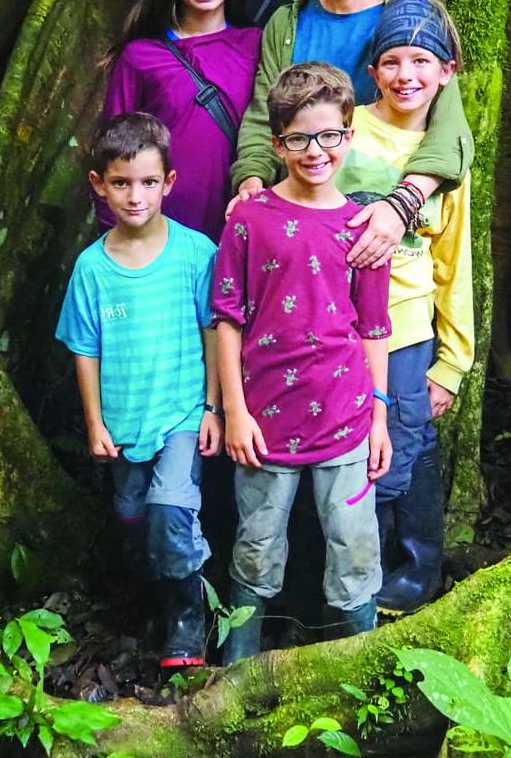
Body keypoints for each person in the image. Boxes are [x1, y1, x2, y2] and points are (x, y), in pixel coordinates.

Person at [212, 63, 393, 663]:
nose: (315, 151)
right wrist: (233, 411)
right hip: (264, 421)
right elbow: (227, 316)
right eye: (298, 139)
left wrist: (381, 416)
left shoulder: (364, 226)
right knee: (257, 544)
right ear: (277, 143)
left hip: (345, 418)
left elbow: (373, 328)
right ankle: (234, 675)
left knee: (353, 546)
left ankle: (356, 673)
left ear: (348, 134)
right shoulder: (249, 218)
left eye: (329, 136)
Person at [228, 0, 474, 270]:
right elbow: (262, 117)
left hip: (387, 233)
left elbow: (452, 134)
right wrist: (252, 180)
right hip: (302, 230)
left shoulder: (410, 20)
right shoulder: (287, 22)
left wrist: (401, 206)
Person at [55, 113, 223, 669]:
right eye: (122, 183)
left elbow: (214, 332)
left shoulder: (195, 253)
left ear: (169, 182)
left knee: (169, 507)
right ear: (99, 185)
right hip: (124, 419)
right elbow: (85, 349)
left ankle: (186, 617)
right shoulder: (91, 268)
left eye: (149, 182)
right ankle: (150, 596)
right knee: (131, 515)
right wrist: (94, 423)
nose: (135, 195)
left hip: (180, 412)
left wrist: (212, 408)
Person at [337, 0, 474, 613]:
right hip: (336, 324)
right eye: (392, 62)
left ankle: (415, 569)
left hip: (408, 331)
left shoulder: (447, 162)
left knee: (408, 444)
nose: (406, 76)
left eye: (422, 61)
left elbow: (453, 263)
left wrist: (453, 361)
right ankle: (350, 567)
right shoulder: (345, 132)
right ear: (374, 73)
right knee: (347, 443)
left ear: (446, 72)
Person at [100, 0, 260, 240]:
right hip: (160, 241)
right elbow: (110, 157)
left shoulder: (257, 45)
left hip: (243, 232)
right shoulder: (141, 56)